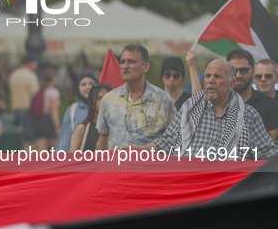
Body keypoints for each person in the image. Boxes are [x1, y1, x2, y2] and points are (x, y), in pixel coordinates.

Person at [127, 60, 278, 160]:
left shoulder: (248, 114)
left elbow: (267, 153)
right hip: (189, 187)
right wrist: (142, 149)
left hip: (229, 192)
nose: (211, 80)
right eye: (207, 76)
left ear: (231, 84)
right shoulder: (189, 109)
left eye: (217, 76)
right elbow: (167, 142)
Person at [96, 43, 176, 150]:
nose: (125, 66)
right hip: (116, 165)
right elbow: (103, 140)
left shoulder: (163, 100)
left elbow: (175, 138)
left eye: (131, 62)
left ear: (146, 66)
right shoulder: (108, 99)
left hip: (149, 165)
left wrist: (146, 149)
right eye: (122, 61)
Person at [226, 50, 278, 142]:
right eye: (233, 70)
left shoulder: (269, 104)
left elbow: (274, 146)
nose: (238, 75)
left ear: (253, 71)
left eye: (244, 70)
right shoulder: (216, 102)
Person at [56, 71, 97, 151]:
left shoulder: (104, 109)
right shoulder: (72, 110)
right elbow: (64, 141)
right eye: (83, 84)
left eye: (91, 83)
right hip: (77, 159)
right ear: (78, 88)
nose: (87, 87)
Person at [8, 54, 40, 150]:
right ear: (30, 63)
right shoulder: (31, 76)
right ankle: (29, 161)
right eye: (35, 63)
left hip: (15, 109)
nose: (36, 65)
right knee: (30, 138)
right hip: (27, 110)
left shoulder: (13, 74)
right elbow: (35, 95)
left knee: (22, 137)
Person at [70, 83, 112, 152]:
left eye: (107, 98)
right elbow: (72, 159)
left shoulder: (116, 128)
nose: (103, 101)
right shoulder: (82, 128)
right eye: (99, 98)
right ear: (92, 103)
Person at [32, 68, 61, 151]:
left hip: (39, 122)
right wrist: (57, 127)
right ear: (53, 78)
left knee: (41, 153)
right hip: (49, 122)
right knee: (56, 151)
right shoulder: (53, 92)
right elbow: (54, 111)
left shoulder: (41, 90)